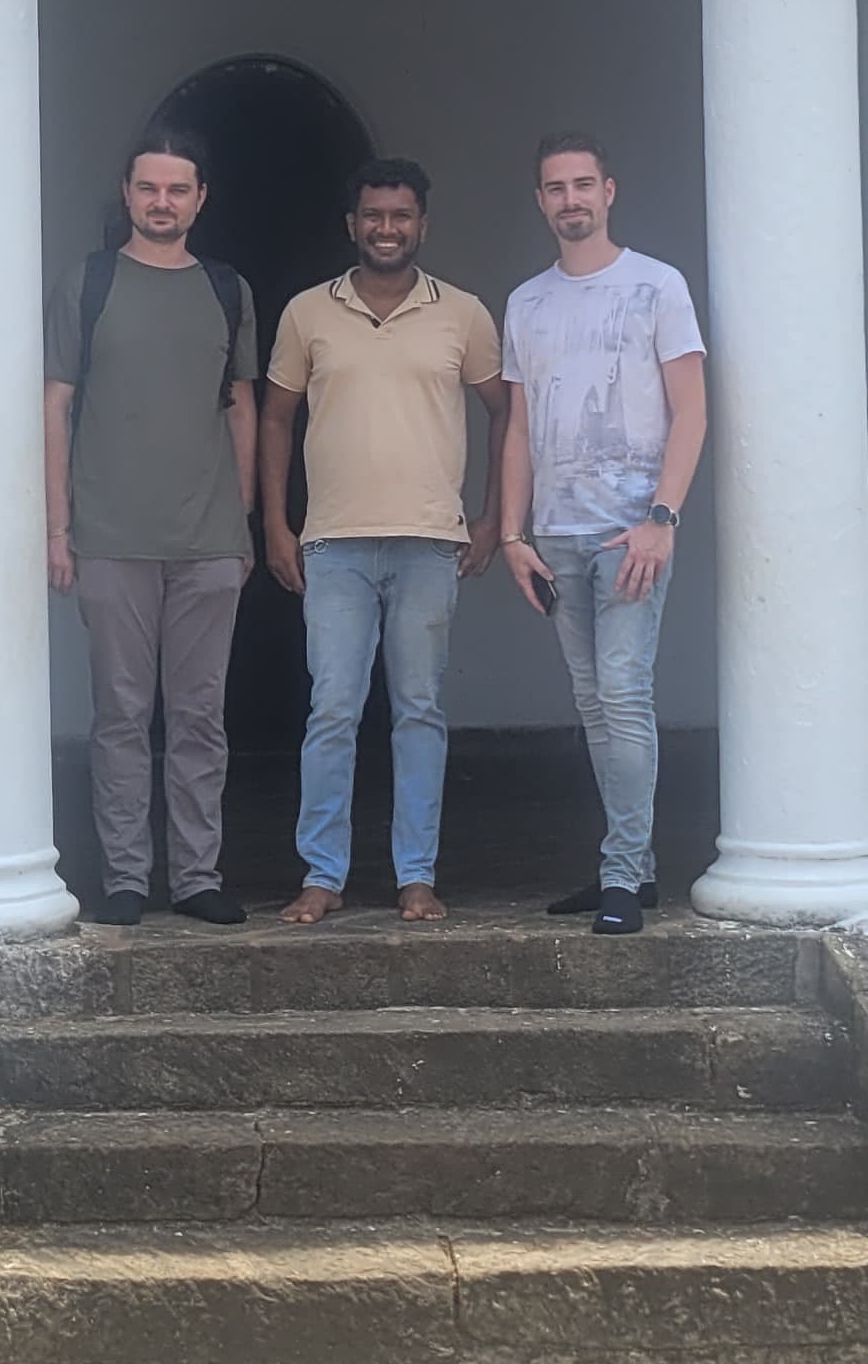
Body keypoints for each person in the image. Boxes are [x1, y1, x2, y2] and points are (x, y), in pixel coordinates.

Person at [260, 156, 505, 927]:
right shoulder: (307, 312)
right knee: (332, 711)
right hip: (333, 544)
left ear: (422, 225)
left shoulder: (463, 314)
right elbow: (274, 418)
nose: (386, 228)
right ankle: (322, 874)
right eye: (374, 215)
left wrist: (495, 517)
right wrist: (276, 523)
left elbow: (506, 409)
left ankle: (416, 877)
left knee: (419, 711)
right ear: (352, 224)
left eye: (400, 216)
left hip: (429, 542)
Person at [45, 126, 259, 928]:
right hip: (110, 536)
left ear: (200, 199)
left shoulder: (227, 289)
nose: (161, 202)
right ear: (127, 195)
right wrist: (58, 528)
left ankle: (198, 877)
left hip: (208, 542)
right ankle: (127, 878)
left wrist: (240, 520)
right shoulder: (90, 283)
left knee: (201, 717)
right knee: (120, 715)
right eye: (148, 188)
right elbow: (56, 404)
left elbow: (242, 407)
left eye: (176, 189)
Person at [499, 133, 708, 932]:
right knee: (593, 703)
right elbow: (519, 428)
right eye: (556, 188)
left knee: (623, 694)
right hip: (557, 536)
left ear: (609, 191)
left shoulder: (657, 285)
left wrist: (662, 518)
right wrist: (513, 534)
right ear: (541, 201)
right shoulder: (526, 303)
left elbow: (692, 409)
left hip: (631, 535)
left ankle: (621, 875)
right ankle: (635, 868)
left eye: (583, 185)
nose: (571, 200)